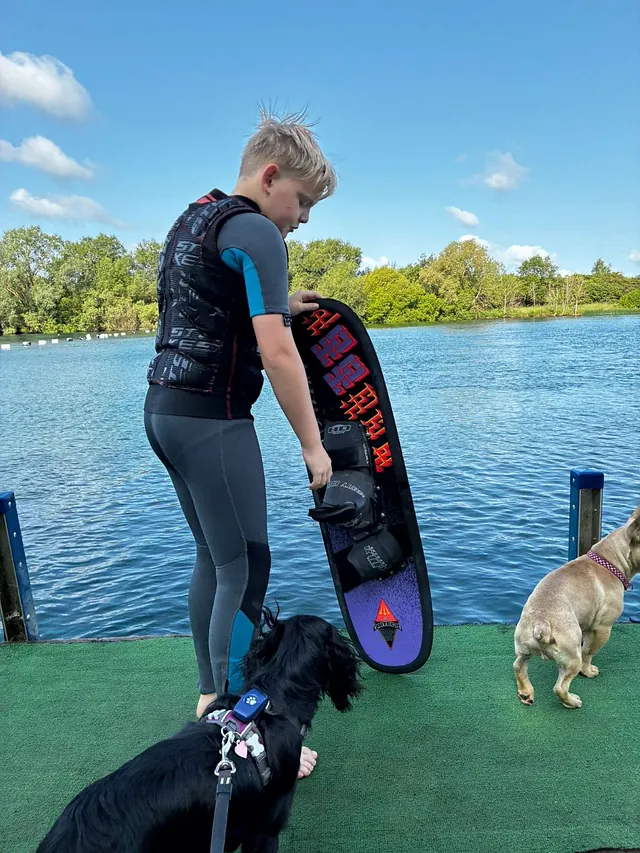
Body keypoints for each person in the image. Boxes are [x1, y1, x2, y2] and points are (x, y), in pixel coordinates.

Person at [143, 110, 336, 779]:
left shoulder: (196, 217)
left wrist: (285, 300)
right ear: (271, 175)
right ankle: (236, 729)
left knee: (215, 559)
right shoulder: (256, 228)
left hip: (165, 411)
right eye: (304, 200)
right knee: (247, 568)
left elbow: (216, 302)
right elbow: (277, 353)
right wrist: (315, 449)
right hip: (212, 419)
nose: (304, 217)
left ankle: (209, 703)